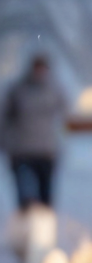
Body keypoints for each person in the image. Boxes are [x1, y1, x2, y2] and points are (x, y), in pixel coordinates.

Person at [0, 55, 67, 210]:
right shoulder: (18, 90)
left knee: (46, 196)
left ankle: (44, 227)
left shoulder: (55, 90)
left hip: (46, 151)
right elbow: (5, 117)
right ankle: (25, 227)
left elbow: (66, 114)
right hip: (21, 150)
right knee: (25, 196)